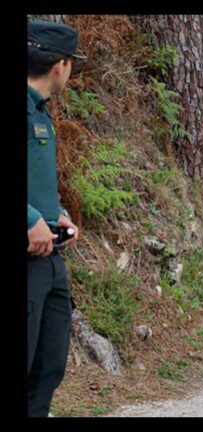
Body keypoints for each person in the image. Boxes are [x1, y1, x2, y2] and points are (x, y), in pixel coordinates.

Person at [27, 20, 86, 417]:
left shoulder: (41, 113)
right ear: (60, 65)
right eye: (72, 64)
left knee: (48, 366)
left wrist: (56, 214)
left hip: (49, 257)